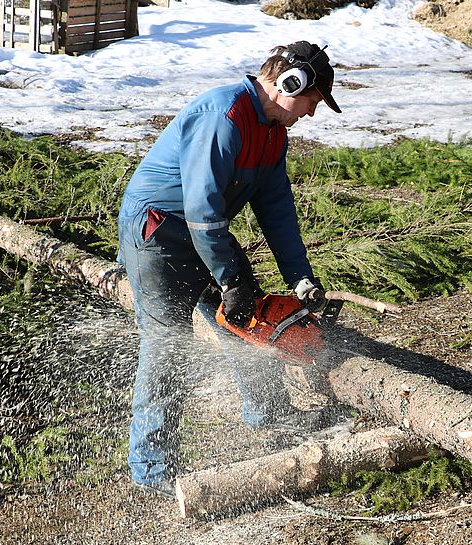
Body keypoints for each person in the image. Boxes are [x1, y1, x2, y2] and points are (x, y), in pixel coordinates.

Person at [117, 41, 342, 498]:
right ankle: (152, 468)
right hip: (160, 230)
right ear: (289, 83)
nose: (312, 114)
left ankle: (269, 414)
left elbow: (276, 208)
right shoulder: (225, 117)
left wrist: (301, 276)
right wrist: (230, 277)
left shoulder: (273, 132)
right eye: (312, 102)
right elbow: (202, 208)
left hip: (205, 230)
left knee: (249, 318)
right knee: (167, 343)